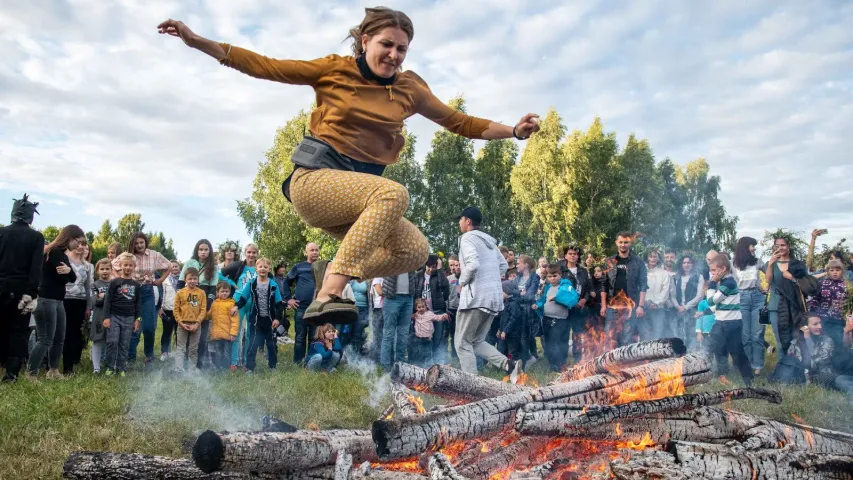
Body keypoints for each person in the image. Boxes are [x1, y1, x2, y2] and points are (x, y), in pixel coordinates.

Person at [156, 7, 540, 326]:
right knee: (395, 193)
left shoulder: (410, 89)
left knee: (414, 250)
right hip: (314, 183)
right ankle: (329, 293)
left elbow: (460, 122)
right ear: (365, 41)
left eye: (402, 49)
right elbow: (266, 66)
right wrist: (198, 42)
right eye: (386, 45)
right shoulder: (335, 70)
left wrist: (514, 131)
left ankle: (333, 273)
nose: (394, 55)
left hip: (358, 204)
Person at [454, 207, 521, 378]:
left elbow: (473, 264)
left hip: (475, 298)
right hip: (492, 299)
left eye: (460, 219)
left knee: (462, 344)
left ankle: (471, 385)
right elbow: (503, 266)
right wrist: (489, 280)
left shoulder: (467, 238)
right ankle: (509, 364)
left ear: (468, 221)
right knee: (476, 342)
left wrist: (462, 282)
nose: (459, 223)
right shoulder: (489, 242)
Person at [28, 224, 85, 379]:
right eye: (77, 242)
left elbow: (72, 277)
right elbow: (63, 278)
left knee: (60, 338)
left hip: (58, 301)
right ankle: (31, 373)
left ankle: (53, 371)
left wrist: (69, 271)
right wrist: (68, 273)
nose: (78, 245)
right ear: (69, 237)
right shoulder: (54, 252)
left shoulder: (64, 255)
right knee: (46, 339)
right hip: (46, 300)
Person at [0, 194, 44, 382]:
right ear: (30, 216)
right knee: (18, 331)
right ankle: (11, 374)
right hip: (22, 291)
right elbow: (36, 269)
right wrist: (32, 293)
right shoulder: (36, 237)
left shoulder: (1, 233)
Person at [114, 232, 172, 368]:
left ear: (145, 242)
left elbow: (169, 266)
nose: (139, 245)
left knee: (149, 327)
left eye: (141, 242)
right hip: (131, 291)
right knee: (133, 326)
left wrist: (160, 280)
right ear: (132, 244)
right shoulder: (127, 256)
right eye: (136, 243)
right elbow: (113, 266)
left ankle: (149, 355)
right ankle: (130, 357)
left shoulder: (154, 255)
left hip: (147, 291)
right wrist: (121, 281)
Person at [706, 254, 753, 386]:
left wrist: (712, 284)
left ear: (723, 269)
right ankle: (719, 374)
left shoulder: (729, 283)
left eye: (714, 271)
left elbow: (712, 300)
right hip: (721, 322)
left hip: (731, 324)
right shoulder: (724, 282)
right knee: (716, 348)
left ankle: (748, 379)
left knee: (737, 352)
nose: (712, 274)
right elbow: (714, 306)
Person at [231, 258, 283, 374]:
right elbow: (243, 298)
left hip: (270, 320)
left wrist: (277, 318)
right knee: (253, 344)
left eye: (265, 267)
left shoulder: (273, 285)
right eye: (260, 267)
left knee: (271, 345)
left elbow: (279, 303)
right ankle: (249, 367)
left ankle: (272, 366)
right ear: (256, 269)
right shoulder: (251, 283)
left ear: (269, 269)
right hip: (256, 320)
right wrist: (236, 306)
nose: (263, 269)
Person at [600, 232, 648, 347]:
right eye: (621, 242)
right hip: (612, 307)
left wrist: (640, 306)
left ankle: (624, 364)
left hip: (630, 308)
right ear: (617, 243)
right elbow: (604, 285)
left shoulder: (638, 262)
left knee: (627, 340)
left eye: (626, 242)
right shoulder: (609, 262)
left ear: (630, 243)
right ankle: (609, 364)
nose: (623, 245)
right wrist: (603, 305)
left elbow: (643, 284)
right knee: (609, 339)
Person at [179, 239, 220, 369]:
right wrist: (181, 302)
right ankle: (184, 364)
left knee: (201, 337)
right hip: (188, 300)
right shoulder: (190, 263)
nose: (203, 252)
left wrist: (206, 306)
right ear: (197, 250)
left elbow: (213, 288)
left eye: (206, 249)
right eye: (201, 249)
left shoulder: (214, 267)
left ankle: (198, 365)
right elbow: (180, 282)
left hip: (204, 301)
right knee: (185, 333)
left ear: (210, 251)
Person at [765, 236, 809, 354]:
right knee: (780, 340)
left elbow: (805, 283)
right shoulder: (770, 264)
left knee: (796, 338)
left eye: (783, 245)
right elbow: (768, 281)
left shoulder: (797, 264)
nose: (780, 248)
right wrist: (770, 264)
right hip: (776, 305)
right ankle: (783, 369)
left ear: (788, 247)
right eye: (777, 245)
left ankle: (798, 367)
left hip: (794, 305)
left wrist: (792, 277)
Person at [532, 264, 580, 372]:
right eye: (549, 276)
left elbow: (572, 298)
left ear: (560, 275)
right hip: (547, 319)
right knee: (550, 342)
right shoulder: (548, 287)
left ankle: (560, 364)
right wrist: (538, 305)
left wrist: (557, 298)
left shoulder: (565, 286)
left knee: (560, 343)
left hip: (560, 321)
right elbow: (543, 300)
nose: (552, 278)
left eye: (555, 276)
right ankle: (553, 365)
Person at [102, 253, 142, 377]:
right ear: (120, 266)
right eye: (125, 265)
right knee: (112, 341)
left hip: (129, 318)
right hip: (114, 316)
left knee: (124, 344)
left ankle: (121, 368)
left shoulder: (136, 285)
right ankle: (110, 366)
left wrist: (137, 319)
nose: (128, 268)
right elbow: (107, 300)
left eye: (130, 265)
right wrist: (106, 317)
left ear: (134, 267)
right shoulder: (115, 282)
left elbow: (138, 304)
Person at [220, 243, 258, 369]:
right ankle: (234, 362)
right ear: (245, 253)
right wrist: (231, 283)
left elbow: (270, 281)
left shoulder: (260, 267)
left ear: (257, 254)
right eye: (249, 252)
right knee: (235, 331)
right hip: (238, 301)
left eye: (254, 252)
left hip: (254, 302)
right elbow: (220, 274)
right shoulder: (238, 265)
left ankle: (247, 361)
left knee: (250, 333)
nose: (251, 255)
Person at [732, 237, 766, 375]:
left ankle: (757, 366)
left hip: (757, 297)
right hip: (741, 298)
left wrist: (766, 286)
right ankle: (746, 365)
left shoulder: (757, 262)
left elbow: (770, 274)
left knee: (757, 334)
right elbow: (720, 274)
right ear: (744, 247)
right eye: (752, 245)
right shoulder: (732, 264)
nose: (754, 248)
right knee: (745, 335)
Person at [283, 243, 319, 364]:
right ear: (306, 252)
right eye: (311, 250)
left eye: (316, 250)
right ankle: (298, 362)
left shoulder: (322, 267)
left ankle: (311, 362)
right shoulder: (299, 267)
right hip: (301, 307)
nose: (314, 252)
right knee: (300, 337)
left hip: (317, 308)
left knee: (314, 337)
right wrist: (288, 299)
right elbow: (286, 282)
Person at [62, 239, 94, 375]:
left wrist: (88, 306)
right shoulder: (63, 259)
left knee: (74, 333)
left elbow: (88, 287)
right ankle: (52, 365)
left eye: (84, 245)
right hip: (63, 300)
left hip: (80, 301)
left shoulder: (87, 265)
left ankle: (69, 367)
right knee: (62, 333)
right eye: (78, 244)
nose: (81, 247)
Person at [559, 245, 593, 363]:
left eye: (575, 254)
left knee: (578, 335)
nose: (573, 256)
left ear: (578, 256)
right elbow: (558, 289)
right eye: (570, 253)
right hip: (565, 308)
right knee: (564, 334)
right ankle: (562, 361)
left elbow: (589, 288)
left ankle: (578, 360)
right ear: (565, 256)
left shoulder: (583, 271)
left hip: (580, 308)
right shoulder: (561, 271)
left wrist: (584, 299)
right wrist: (571, 302)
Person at [414, 254, 450, 363]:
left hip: (437, 310)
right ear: (425, 265)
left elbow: (445, 287)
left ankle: (435, 361)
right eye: (429, 266)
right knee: (423, 337)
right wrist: (414, 311)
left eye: (433, 266)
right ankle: (424, 360)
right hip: (422, 313)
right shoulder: (418, 276)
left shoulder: (438, 275)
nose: (431, 269)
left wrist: (439, 270)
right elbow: (415, 294)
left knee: (438, 337)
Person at [507, 255, 539, 367]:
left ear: (525, 265)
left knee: (524, 338)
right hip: (517, 311)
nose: (516, 265)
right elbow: (510, 288)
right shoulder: (518, 277)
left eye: (518, 263)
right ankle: (526, 358)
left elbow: (530, 297)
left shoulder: (534, 277)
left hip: (527, 313)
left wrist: (516, 294)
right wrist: (520, 293)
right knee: (518, 337)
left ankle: (528, 360)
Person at [807, 259, 849, 348]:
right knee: (824, 340)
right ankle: (824, 359)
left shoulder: (846, 285)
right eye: (832, 270)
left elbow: (849, 302)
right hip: (823, 318)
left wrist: (845, 307)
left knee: (837, 340)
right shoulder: (822, 283)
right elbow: (816, 298)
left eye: (838, 270)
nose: (835, 273)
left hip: (838, 319)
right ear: (828, 271)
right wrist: (811, 313)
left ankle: (837, 359)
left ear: (842, 271)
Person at [173, 267, 207, 374]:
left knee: (193, 349)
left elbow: (203, 309)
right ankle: (179, 370)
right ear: (185, 279)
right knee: (181, 348)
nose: (192, 281)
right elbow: (175, 309)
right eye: (190, 278)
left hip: (196, 325)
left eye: (195, 279)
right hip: (182, 324)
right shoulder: (180, 293)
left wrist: (197, 323)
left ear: (198, 280)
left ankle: (191, 370)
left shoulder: (201, 293)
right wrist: (181, 322)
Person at [379, 270, 417, 368]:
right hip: (392, 297)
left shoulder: (412, 258)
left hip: (408, 298)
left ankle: (400, 366)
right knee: (388, 333)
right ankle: (385, 366)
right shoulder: (390, 255)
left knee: (403, 333)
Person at [672, 254, 704, 350]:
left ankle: (692, 357)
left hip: (692, 311)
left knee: (691, 335)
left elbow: (700, 296)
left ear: (692, 264)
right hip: (678, 311)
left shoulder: (699, 277)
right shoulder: (676, 277)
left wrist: (686, 307)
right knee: (679, 335)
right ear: (681, 264)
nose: (686, 265)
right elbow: (672, 295)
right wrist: (678, 306)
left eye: (688, 262)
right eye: (684, 263)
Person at [206, 281, 239, 371]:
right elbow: (209, 315)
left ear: (229, 292)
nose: (224, 293)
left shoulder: (231, 304)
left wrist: (233, 333)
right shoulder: (214, 303)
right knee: (218, 352)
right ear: (217, 292)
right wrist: (203, 315)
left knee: (226, 353)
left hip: (227, 334)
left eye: (226, 291)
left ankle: (225, 369)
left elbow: (235, 321)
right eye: (222, 291)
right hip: (216, 334)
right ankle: (218, 369)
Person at [643, 248, 673, 341]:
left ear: (658, 258)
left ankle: (655, 354)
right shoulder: (642, 271)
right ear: (647, 257)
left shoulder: (664, 273)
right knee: (644, 332)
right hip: (643, 307)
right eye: (650, 256)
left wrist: (656, 303)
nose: (652, 259)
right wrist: (644, 302)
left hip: (658, 308)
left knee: (658, 332)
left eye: (655, 257)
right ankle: (643, 353)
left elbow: (665, 290)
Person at [410, 297, 449, 367]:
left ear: (426, 307)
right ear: (416, 308)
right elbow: (410, 317)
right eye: (419, 307)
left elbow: (437, 317)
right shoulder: (416, 315)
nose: (421, 308)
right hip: (418, 339)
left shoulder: (429, 314)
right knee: (418, 353)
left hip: (427, 339)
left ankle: (429, 366)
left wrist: (443, 316)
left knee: (428, 354)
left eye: (423, 307)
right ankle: (419, 366)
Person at [89, 259, 112, 374]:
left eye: (107, 269)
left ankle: (110, 365)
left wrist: (103, 296)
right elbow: (95, 302)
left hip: (113, 317)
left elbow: (117, 301)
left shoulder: (115, 284)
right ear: (97, 271)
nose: (105, 271)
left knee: (111, 341)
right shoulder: (94, 285)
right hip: (98, 317)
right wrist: (105, 298)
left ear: (111, 270)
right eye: (102, 269)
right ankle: (96, 368)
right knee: (97, 341)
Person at [159, 260, 180, 361]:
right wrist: (161, 307)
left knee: (179, 332)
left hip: (180, 311)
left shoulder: (183, 280)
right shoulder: (165, 280)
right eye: (172, 266)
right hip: (167, 309)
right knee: (167, 331)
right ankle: (165, 352)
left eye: (176, 266)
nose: (174, 268)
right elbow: (162, 294)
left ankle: (179, 352)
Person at [348, 277, 371, 354]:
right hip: (350, 308)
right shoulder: (349, 279)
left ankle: (356, 354)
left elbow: (370, 296)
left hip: (363, 309)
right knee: (348, 331)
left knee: (358, 332)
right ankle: (347, 353)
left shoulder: (368, 280)